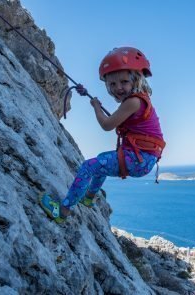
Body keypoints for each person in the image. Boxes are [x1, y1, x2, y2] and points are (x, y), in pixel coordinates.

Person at [39, 47, 166, 223]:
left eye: (123, 82)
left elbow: (107, 125)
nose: (118, 88)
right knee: (102, 160)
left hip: (139, 160)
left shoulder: (133, 102)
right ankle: (89, 197)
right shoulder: (139, 99)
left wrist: (96, 108)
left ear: (135, 80)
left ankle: (62, 211)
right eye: (112, 84)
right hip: (143, 158)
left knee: (88, 167)